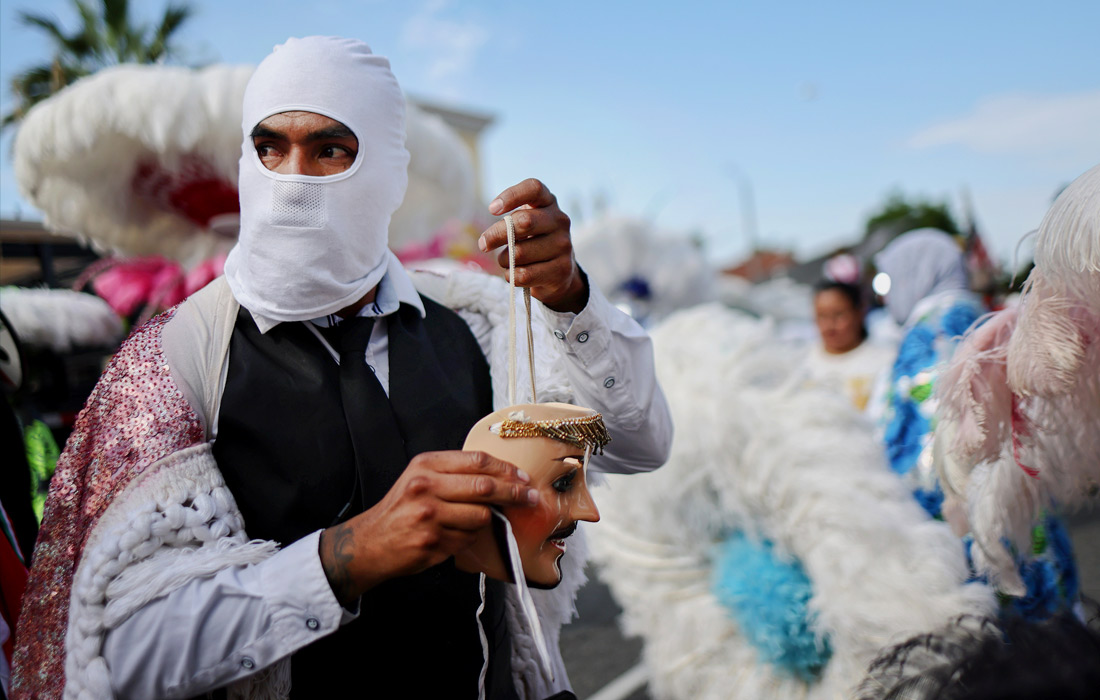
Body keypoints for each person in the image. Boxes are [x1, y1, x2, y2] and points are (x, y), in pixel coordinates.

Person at [13, 36, 672, 700]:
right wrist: (341, 559)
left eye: (330, 150)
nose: (293, 178)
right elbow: (113, 652)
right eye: (270, 148)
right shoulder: (173, 361)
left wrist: (569, 299)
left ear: (387, 168)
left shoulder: (475, 322)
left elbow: (638, 445)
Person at [874, 228, 1076, 622]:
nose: (883, 294)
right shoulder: (988, 321)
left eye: (887, 281)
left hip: (968, 540)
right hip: (1025, 517)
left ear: (915, 274)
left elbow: (924, 457)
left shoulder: (928, 339)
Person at [805, 280, 895, 412]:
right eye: (822, 316)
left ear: (859, 312)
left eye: (838, 314)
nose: (829, 326)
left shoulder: (887, 361)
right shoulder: (802, 363)